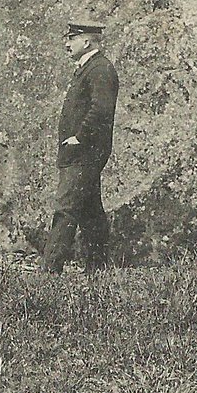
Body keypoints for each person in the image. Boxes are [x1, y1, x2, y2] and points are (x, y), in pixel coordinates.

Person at [43, 21, 119, 275]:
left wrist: (80, 137)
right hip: (81, 154)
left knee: (65, 209)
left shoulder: (100, 69)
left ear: (86, 42)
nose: (66, 44)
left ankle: (49, 272)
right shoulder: (90, 68)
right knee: (90, 213)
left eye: (71, 38)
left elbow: (101, 109)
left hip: (84, 154)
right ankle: (97, 270)